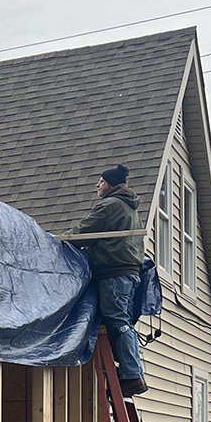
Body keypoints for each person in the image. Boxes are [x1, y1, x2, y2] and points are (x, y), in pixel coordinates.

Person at [71, 163, 147, 396]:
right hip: (128, 272)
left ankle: (131, 375)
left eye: (101, 181)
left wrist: (59, 242)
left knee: (118, 321)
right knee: (121, 321)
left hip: (115, 272)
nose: (97, 185)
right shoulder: (129, 207)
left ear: (111, 184)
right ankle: (129, 371)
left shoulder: (111, 205)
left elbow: (85, 232)